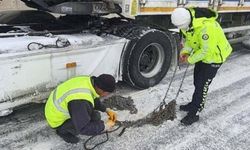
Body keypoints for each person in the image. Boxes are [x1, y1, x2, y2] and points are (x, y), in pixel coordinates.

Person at [171, 7, 232, 125]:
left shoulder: (206, 27)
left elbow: (206, 51)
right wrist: (186, 52)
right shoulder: (189, 25)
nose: (181, 29)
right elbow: (189, 40)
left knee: (202, 86)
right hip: (202, 57)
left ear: (187, 21)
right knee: (197, 82)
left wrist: (190, 59)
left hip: (214, 57)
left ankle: (195, 112)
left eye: (181, 26)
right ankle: (194, 104)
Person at [45, 74, 117, 143]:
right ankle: (62, 131)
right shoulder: (80, 101)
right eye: (107, 93)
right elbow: (83, 128)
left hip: (55, 108)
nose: (106, 95)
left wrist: (106, 110)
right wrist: (105, 126)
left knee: (95, 116)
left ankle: (67, 126)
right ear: (101, 90)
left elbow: (93, 97)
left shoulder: (89, 82)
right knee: (91, 122)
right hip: (56, 120)